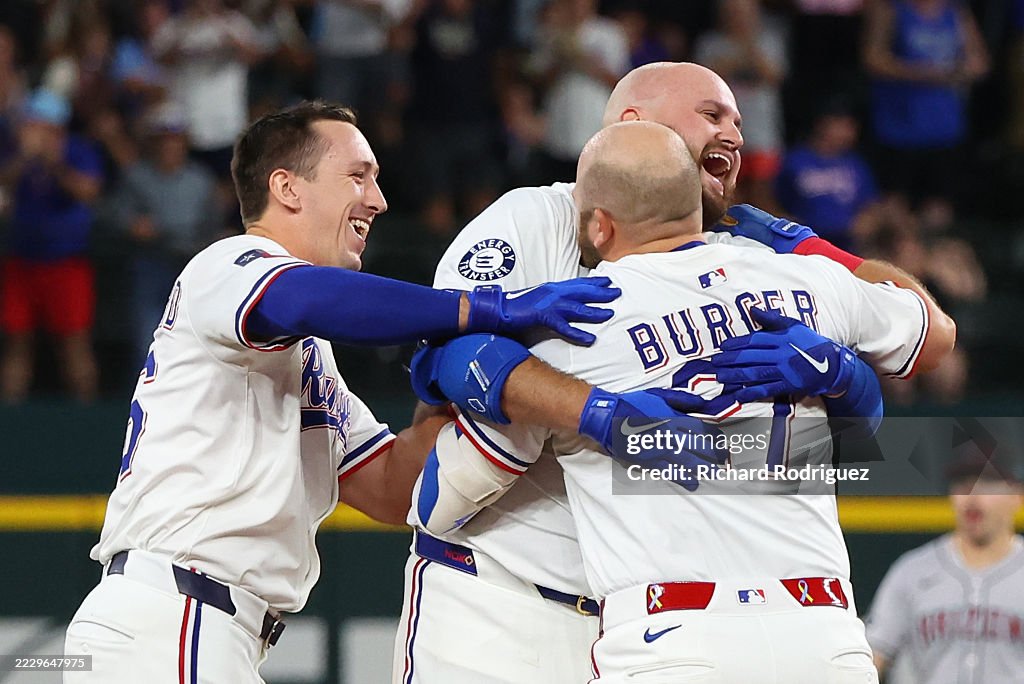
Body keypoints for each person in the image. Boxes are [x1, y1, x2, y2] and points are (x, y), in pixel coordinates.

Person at [63, 101, 672, 683]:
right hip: (173, 616)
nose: (378, 199)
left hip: (204, 628)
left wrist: (472, 381)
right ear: (287, 188)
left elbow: (389, 486)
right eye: (357, 176)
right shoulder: (227, 263)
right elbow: (303, 298)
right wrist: (487, 308)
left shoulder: (303, 354)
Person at [392, 61, 957, 683]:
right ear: (633, 124)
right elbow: (452, 349)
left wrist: (807, 257)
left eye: (738, 122)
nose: (734, 135)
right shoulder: (538, 216)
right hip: (514, 590)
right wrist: (600, 413)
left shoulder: (753, 261)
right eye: (712, 115)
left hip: (655, 613)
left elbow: (450, 372)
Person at [866, 453, 1024, 683]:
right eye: (962, 484)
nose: (972, 496)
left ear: (1017, 495)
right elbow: (872, 657)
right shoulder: (912, 571)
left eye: (987, 484)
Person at [0, 88, 103, 402]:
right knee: (17, 343)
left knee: (74, 344)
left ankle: (87, 419)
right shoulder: (15, 151)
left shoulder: (78, 150)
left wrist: (54, 163)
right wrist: (24, 158)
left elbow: (88, 191)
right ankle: (10, 422)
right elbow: (4, 183)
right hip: (22, 260)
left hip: (66, 262)